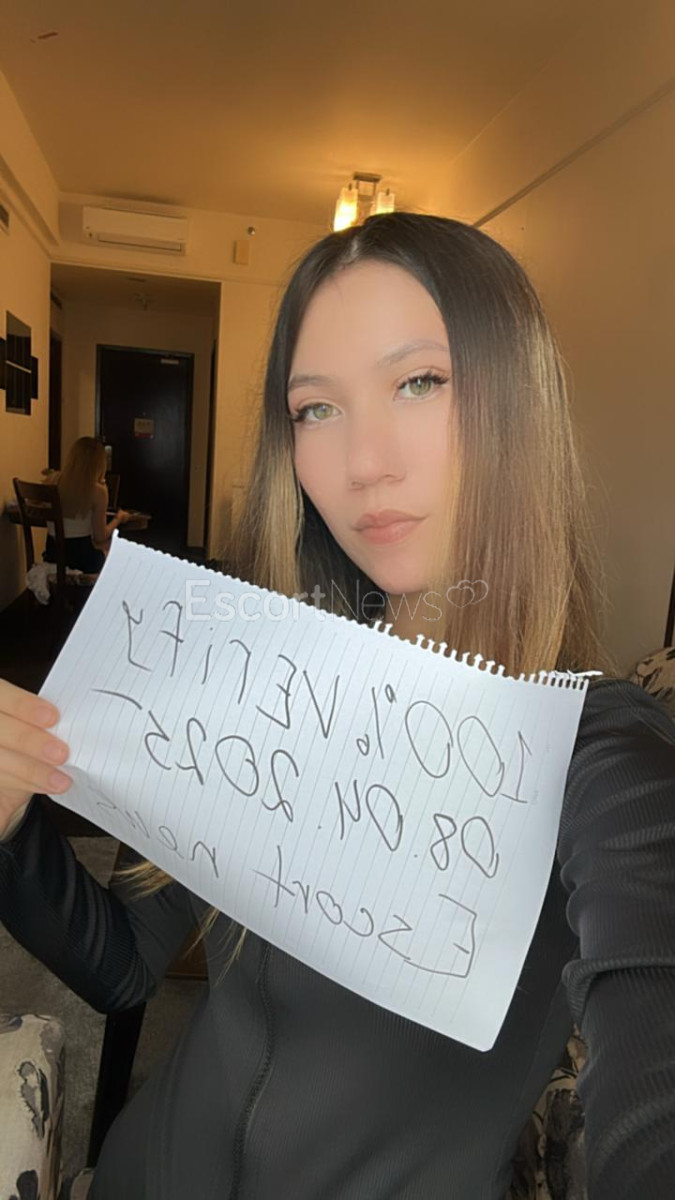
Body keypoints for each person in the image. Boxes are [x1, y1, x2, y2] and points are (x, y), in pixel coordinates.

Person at [1, 213, 674, 1200]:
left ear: (517, 403)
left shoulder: (598, 752)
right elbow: (124, 964)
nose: (363, 462)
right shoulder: (271, 679)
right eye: (316, 407)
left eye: (420, 382)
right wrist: (11, 827)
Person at [42, 436, 129, 573]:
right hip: (82, 559)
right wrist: (118, 519)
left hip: (52, 554)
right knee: (113, 550)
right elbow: (100, 536)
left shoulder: (52, 480)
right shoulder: (98, 491)